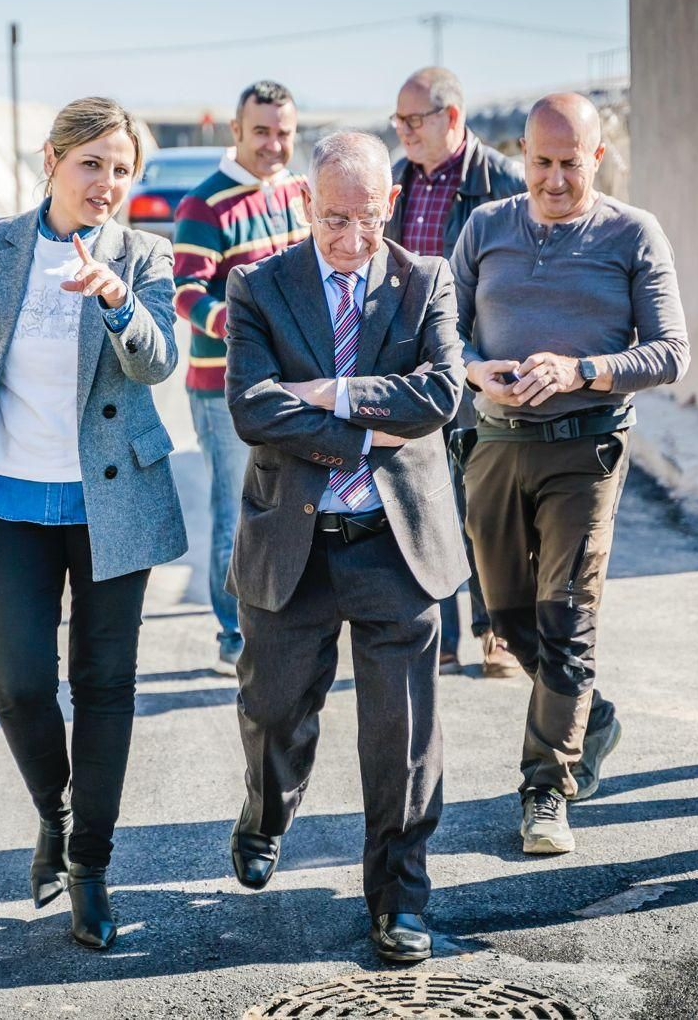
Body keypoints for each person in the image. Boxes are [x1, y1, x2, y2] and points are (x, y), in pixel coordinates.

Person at [0, 97, 187, 951]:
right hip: (7, 497)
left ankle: (90, 866)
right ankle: (55, 812)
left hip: (113, 504)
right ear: (51, 159)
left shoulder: (147, 256)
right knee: (18, 682)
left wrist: (120, 301)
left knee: (104, 688)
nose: (107, 182)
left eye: (122, 167)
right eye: (91, 162)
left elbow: (158, 361)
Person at [222, 131, 467, 964]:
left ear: (388, 205)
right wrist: (366, 435)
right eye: (333, 220)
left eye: (365, 220)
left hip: (395, 543)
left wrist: (334, 394)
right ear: (305, 203)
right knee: (274, 707)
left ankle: (399, 900)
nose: (351, 240)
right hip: (294, 541)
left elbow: (439, 393)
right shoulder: (257, 284)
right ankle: (266, 810)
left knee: (401, 737)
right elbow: (253, 409)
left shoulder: (426, 279)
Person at [454, 93, 689, 855]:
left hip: (584, 451)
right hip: (492, 444)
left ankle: (545, 790)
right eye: (541, 163)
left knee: (566, 619)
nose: (555, 180)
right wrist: (474, 370)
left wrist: (582, 369)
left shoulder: (632, 233)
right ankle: (593, 713)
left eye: (570, 163)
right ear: (521, 155)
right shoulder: (486, 227)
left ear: (597, 155)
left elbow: (669, 352)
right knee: (505, 616)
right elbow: (443, 334)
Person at [385, 65, 527, 677]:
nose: (404, 132)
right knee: (422, 495)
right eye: (398, 121)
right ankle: (439, 635)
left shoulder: (503, 182)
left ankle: (495, 629)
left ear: (452, 117)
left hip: (479, 359)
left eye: (413, 120)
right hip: (411, 364)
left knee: (486, 504)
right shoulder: (396, 181)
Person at [173, 81, 309, 675]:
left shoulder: (303, 194)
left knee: (286, 505)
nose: (273, 144)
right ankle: (233, 633)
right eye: (261, 132)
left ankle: (279, 621)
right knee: (236, 510)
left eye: (283, 132)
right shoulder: (205, 205)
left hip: (293, 386)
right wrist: (253, 325)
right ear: (235, 131)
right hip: (222, 387)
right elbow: (186, 296)